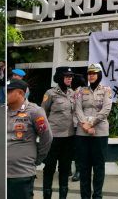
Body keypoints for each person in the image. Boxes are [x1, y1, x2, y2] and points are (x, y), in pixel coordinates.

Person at [7, 79, 52, 199]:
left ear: (21, 93)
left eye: (9, 91)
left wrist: (37, 159)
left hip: (21, 174)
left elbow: (46, 138)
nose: (5, 93)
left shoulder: (35, 111)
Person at [75, 63, 112, 199]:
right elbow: (78, 109)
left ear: (99, 75)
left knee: (98, 167)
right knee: (84, 167)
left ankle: (97, 195)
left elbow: (106, 110)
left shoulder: (106, 90)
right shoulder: (80, 90)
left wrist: (91, 124)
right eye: (89, 73)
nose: (91, 76)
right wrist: (85, 125)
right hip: (82, 132)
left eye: (94, 73)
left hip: (99, 132)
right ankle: (85, 196)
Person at [41, 67, 76, 199]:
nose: (69, 78)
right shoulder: (50, 93)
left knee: (65, 169)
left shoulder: (73, 94)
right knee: (49, 168)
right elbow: (43, 114)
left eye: (71, 76)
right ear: (60, 77)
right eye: (66, 76)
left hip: (68, 137)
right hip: (53, 137)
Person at [70, 73, 87, 182]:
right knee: (73, 149)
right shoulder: (70, 92)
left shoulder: (80, 92)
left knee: (79, 150)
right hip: (70, 125)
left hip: (79, 124)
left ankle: (79, 171)